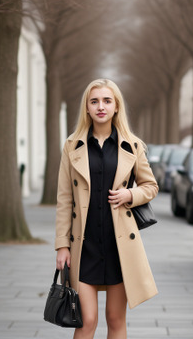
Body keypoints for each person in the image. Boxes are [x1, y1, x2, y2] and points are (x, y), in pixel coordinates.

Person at [55, 78, 158, 339]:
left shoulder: (133, 145)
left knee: (115, 319)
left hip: (119, 245)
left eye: (107, 100)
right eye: (95, 101)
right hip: (84, 245)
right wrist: (62, 246)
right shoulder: (72, 146)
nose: (101, 106)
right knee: (86, 321)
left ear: (116, 107)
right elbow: (65, 199)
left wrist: (130, 193)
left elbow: (150, 186)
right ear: (87, 108)